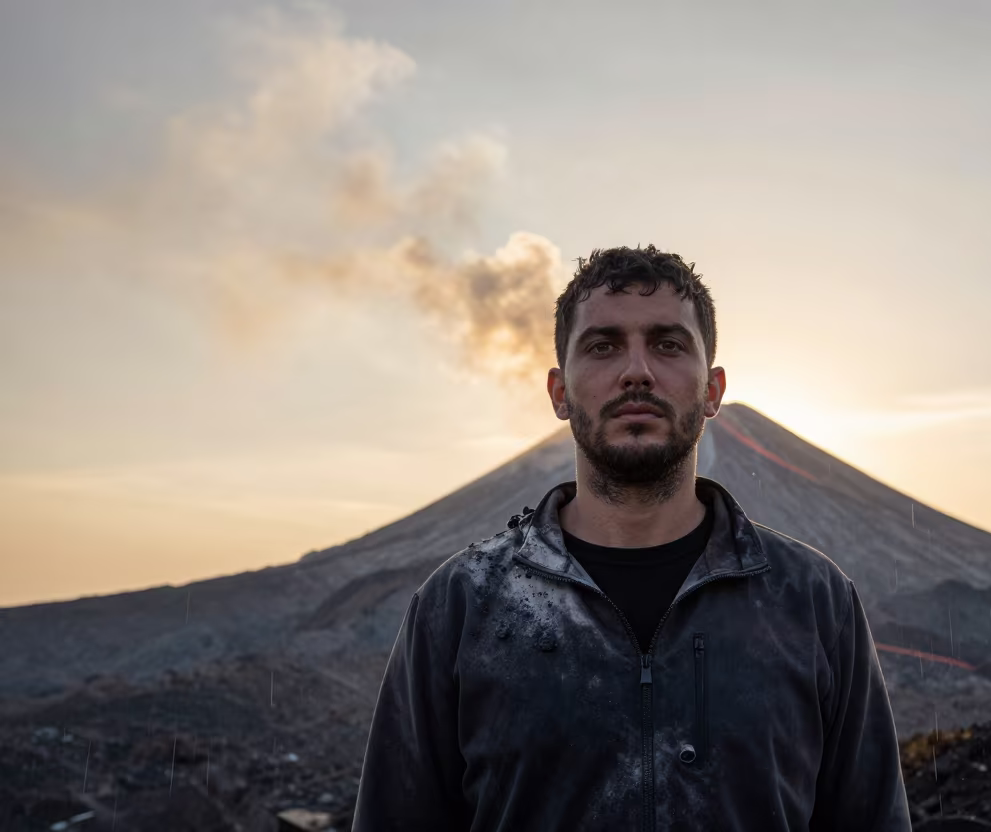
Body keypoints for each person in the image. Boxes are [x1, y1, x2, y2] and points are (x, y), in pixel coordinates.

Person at [353, 245, 912, 831]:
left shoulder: (814, 601)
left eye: (668, 344)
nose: (637, 371)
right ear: (559, 391)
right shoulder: (460, 606)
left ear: (713, 389)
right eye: (603, 345)